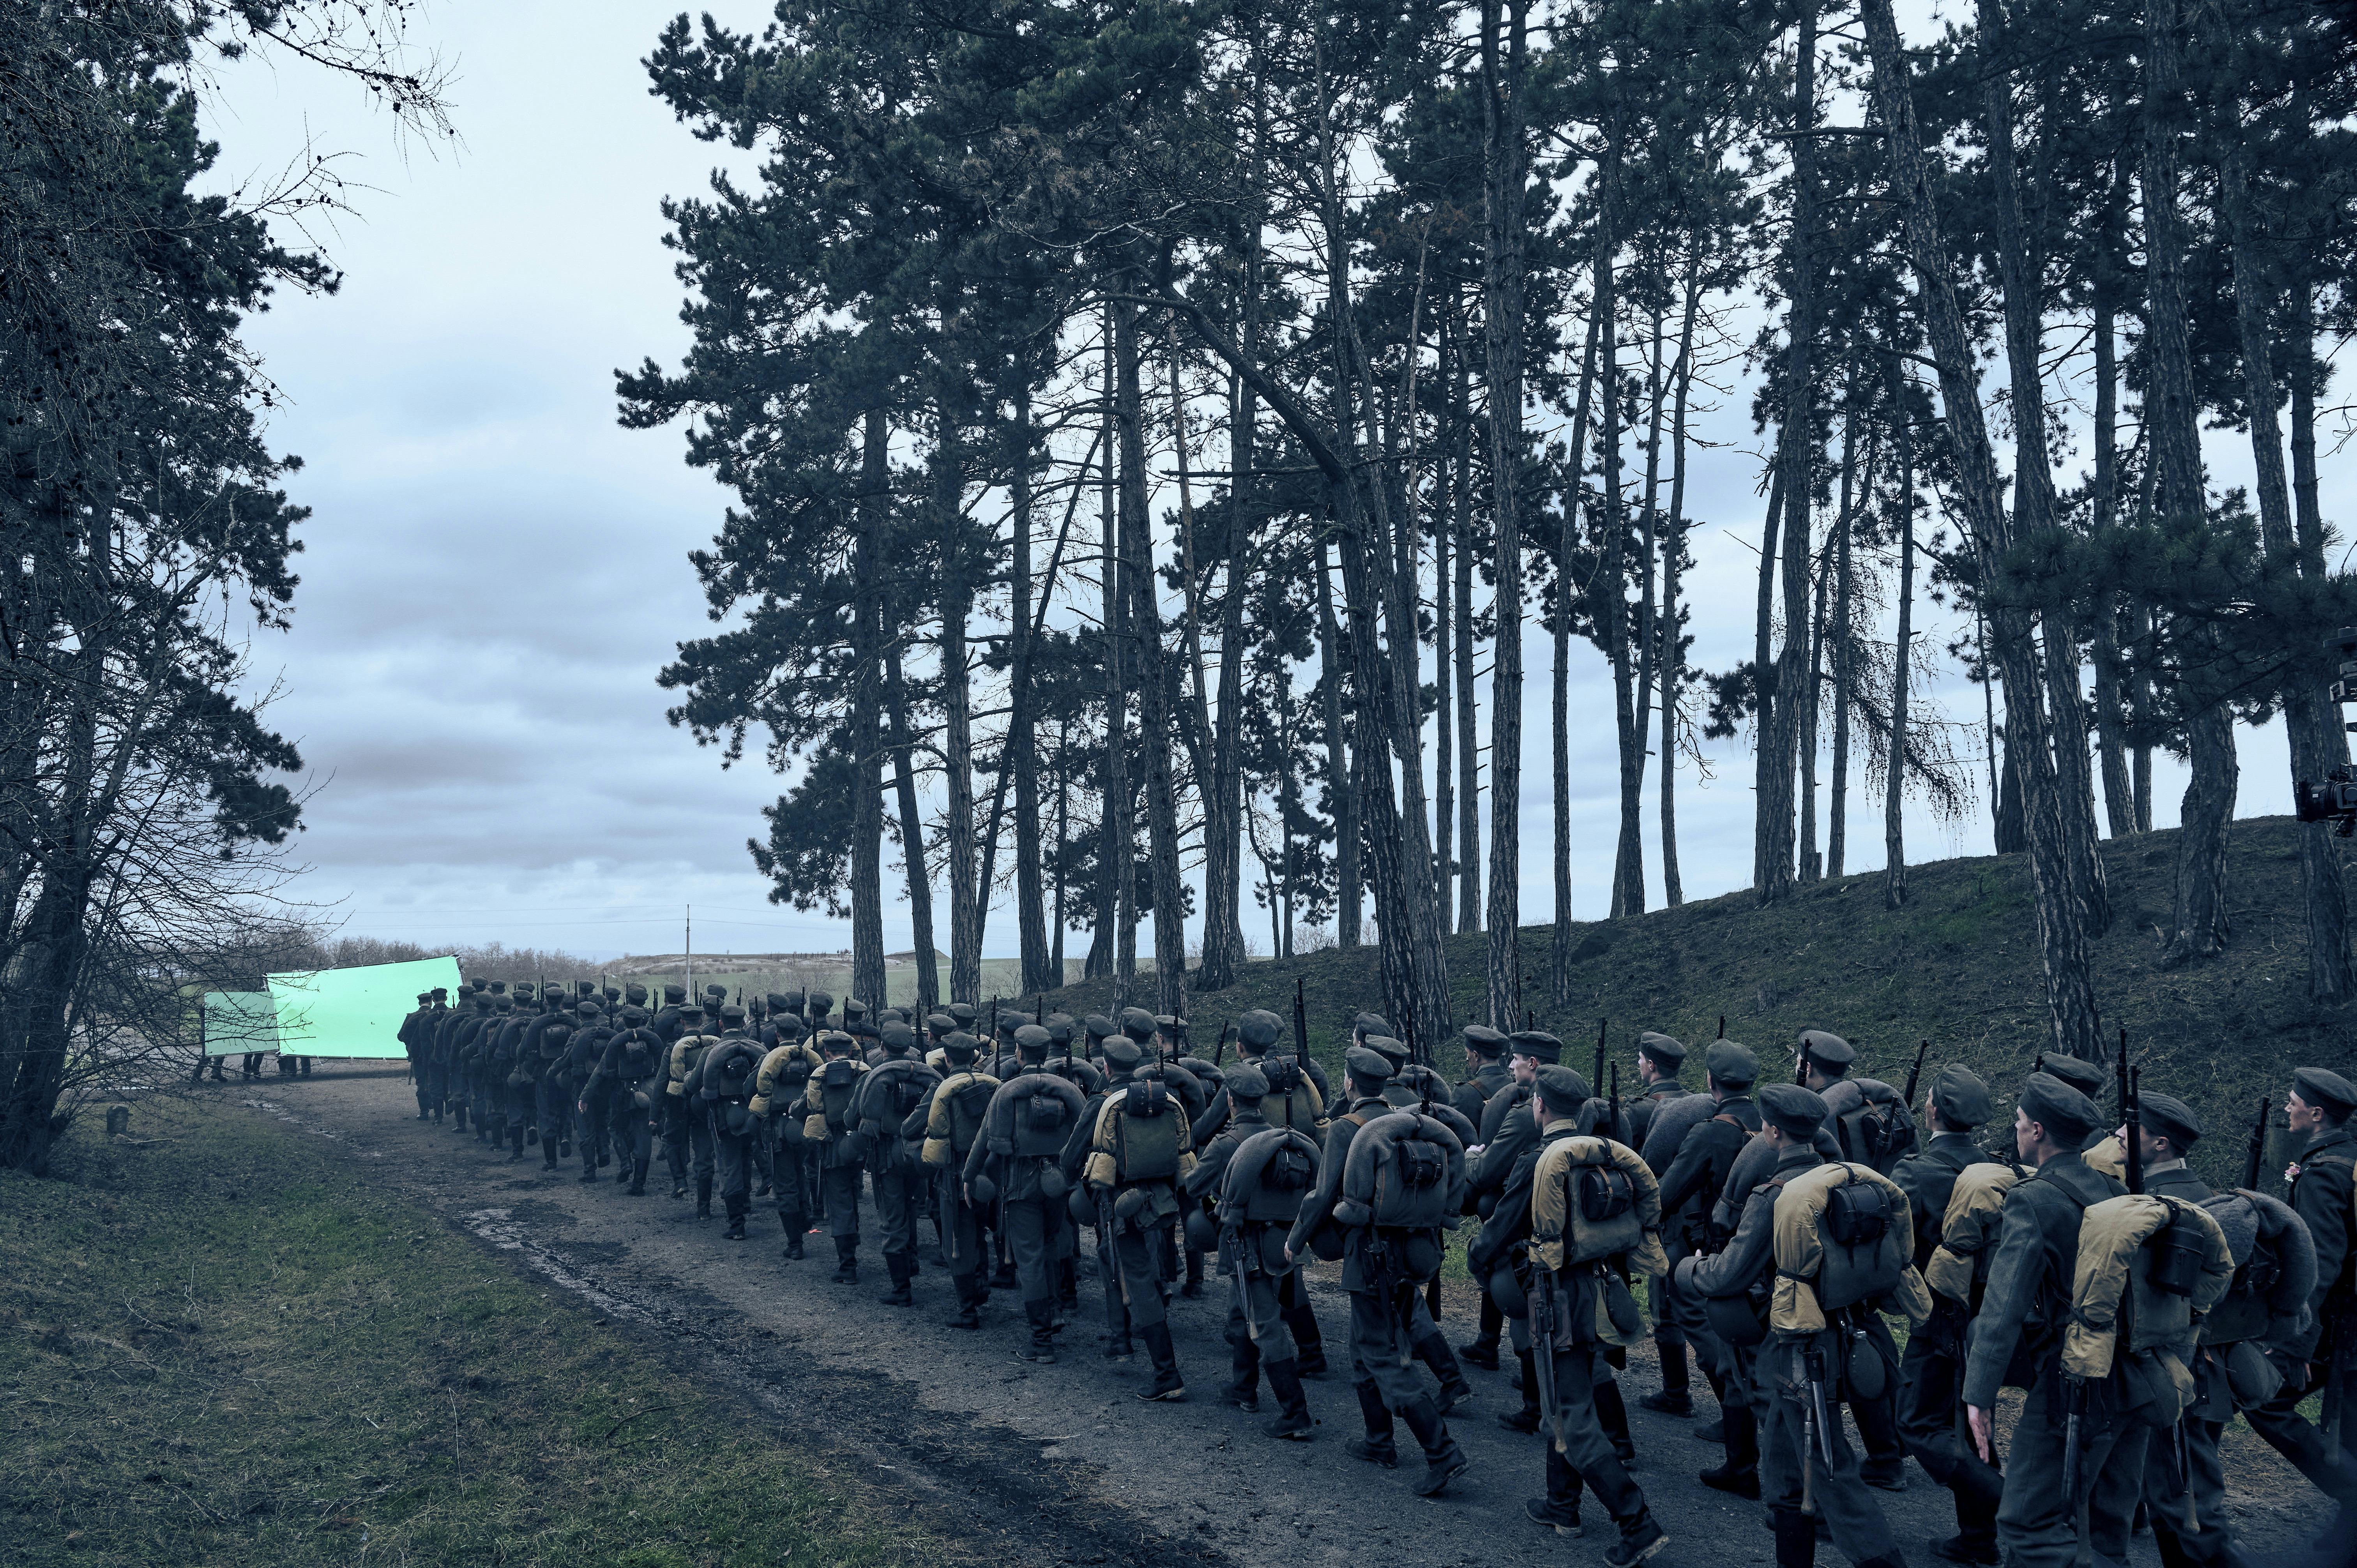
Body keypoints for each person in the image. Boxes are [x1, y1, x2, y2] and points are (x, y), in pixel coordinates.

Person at [1688, 1082, 1904, 1568]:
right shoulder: (1844, 1184)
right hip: (1843, 1333)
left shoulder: (1774, 1196)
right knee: (1786, 1475)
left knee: (1832, 1471)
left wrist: (1688, 1269)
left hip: (1795, 1349)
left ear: (1771, 1131)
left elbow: (1730, 1274)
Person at [1963, 1072, 2132, 1568]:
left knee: (2026, 1521)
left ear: (2037, 1132)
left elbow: (2002, 1307)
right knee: (2101, 1525)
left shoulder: (2033, 1199)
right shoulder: (2110, 1188)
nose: (2014, 1129)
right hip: (2129, 1369)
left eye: (2018, 1121)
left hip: (2072, 1376)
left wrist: (1979, 1394)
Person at [1286, 1046, 1468, 1497]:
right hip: (1414, 1253)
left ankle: (1442, 1451)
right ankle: (1378, 1440)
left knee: (1382, 1354)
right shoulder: (1407, 1123)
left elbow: (1324, 1195)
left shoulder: (1350, 1130)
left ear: (1349, 1084)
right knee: (1364, 1346)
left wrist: (1296, 1241)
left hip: (1369, 1256)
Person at [1521, 1064, 1672, 1565]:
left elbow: (1517, 1235)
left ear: (1539, 1105)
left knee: (1572, 1418)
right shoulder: (1603, 1162)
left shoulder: (1549, 1162)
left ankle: (1637, 1521)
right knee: (1573, 1398)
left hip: (1560, 1298)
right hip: (1603, 1291)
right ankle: (1562, 1504)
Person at [1890, 1065, 2005, 1564]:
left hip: (1937, 1314)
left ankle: (2015, 1503)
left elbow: (1894, 1243)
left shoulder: (1915, 1171)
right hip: (1989, 1316)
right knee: (1970, 1422)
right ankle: (1979, 1540)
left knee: (1916, 1423)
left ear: (1931, 1109)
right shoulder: (1999, 1171)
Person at [1655, 1038, 1765, 1496]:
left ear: (1710, 1082)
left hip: (1719, 1257)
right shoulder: (1773, 1125)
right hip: (1771, 1258)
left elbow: (1666, 1196)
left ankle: (1742, 1462)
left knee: (1717, 1343)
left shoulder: (1709, 1132)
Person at [2245, 1067, 2357, 1508]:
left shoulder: (2326, 1171)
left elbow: (2321, 1260)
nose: (2288, 1108)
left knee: (2264, 1400)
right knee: (2351, 1432)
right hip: (2347, 1326)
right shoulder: (2346, 1157)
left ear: (2316, 1112)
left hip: (2337, 1327)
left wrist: (2296, 1343)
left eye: (2294, 1102)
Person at [1194, 1063, 1319, 1439]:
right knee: (1240, 1311)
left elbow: (1194, 1183)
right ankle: (1243, 1389)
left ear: (1230, 1100)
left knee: (1264, 1325)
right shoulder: (1285, 1139)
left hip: (1246, 1244)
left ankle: (1295, 1411)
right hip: (1282, 1243)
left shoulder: (1228, 1143)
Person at [969, 1024, 1084, 1361]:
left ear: (1019, 1053)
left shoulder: (1008, 1091)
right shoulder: (1067, 1090)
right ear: (1046, 1054)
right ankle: (1055, 1309)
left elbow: (984, 1138)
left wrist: (969, 1176)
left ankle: (1042, 1341)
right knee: (1050, 1246)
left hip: (1020, 1184)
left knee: (1030, 1259)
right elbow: (1083, 1133)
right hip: (1057, 1182)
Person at [917, 1032, 1000, 1328]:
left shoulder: (942, 1090)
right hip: (990, 1172)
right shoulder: (994, 1088)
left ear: (947, 1059)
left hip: (955, 1176)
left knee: (958, 1239)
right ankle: (980, 1287)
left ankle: (968, 1310)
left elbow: (915, 1127)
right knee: (979, 1233)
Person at [857, 1021, 938, 1305]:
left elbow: (853, 1117)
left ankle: (901, 1288)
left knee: (892, 1218)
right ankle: (912, 1260)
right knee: (911, 1207)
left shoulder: (875, 1074)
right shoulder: (927, 1076)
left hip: (886, 1156)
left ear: (882, 1046)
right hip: (916, 1153)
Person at [803, 1028, 871, 1282]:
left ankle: (848, 1266)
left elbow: (812, 1107)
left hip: (834, 1144)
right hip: (862, 1141)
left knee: (840, 1202)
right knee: (854, 1193)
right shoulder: (866, 1072)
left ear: (827, 1053)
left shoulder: (819, 1076)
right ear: (852, 1051)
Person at [751, 1015, 821, 1255]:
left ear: (777, 1035)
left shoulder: (768, 1060)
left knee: (785, 1183)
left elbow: (751, 1088)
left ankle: (795, 1244)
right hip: (805, 1125)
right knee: (801, 1171)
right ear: (799, 1033)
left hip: (778, 1130)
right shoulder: (812, 1059)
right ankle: (806, 1218)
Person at [664, 1003, 721, 1214]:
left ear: (682, 1022)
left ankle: (680, 1181)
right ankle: (703, 1209)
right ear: (702, 1021)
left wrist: (655, 1114)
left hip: (678, 1103)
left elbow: (664, 1080)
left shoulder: (673, 1047)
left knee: (670, 1141)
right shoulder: (714, 1046)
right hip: (705, 1103)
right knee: (704, 1155)